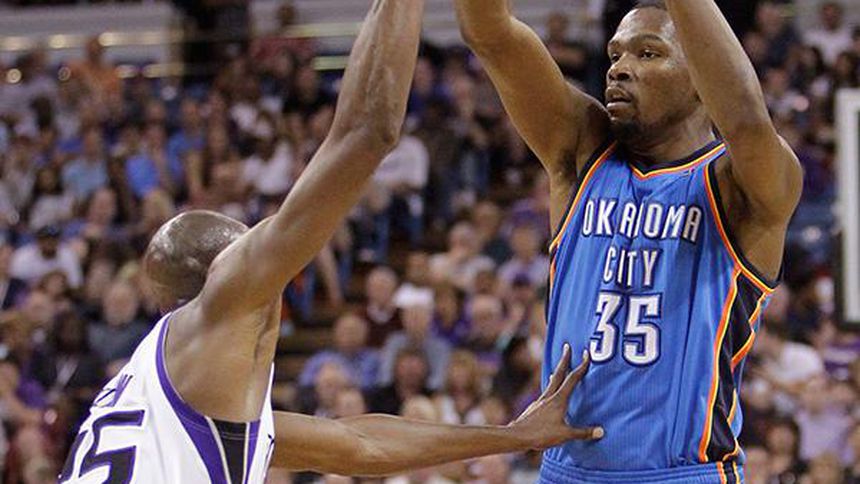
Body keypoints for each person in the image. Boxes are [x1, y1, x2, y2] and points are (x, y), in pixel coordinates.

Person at [60, 2, 601, 483]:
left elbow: (358, 445)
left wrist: (513, 436)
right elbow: (368, 131)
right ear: (226, 267)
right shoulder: (223, 306)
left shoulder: (169, 393)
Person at [456, 0, 803, 482]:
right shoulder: (581, 152)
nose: (618, 69)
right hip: (565, 470)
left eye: (648, 53)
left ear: (701, 74)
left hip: (683, 473)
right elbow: (490, 34)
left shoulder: (739, 184)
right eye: (615, 54)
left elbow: (745, 118)